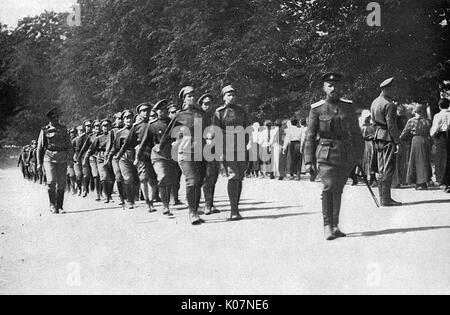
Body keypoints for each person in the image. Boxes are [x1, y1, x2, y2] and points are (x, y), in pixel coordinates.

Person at [304, 73, 364, 241]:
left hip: (345, 154)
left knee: (338, 189)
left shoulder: (348, 107)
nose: (333, 88)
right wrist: (309, 161)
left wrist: (359, 156)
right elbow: (310, 136)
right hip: (326, 153)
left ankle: (335, 225)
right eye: (329, 85)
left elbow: (356, 133)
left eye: (336, 85)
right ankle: (327, 225)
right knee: (328, 187)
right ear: (324, 88)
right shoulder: (317, 108)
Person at [158, 86, 207, 225]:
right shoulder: (179, 116)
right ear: (184, 99)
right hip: (185, 152)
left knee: (199, 182)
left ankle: (195, 209)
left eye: (193, 95)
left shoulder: (202, 114)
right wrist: (160, 147)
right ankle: (192, 213)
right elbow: (168, 134)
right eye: (188, 96)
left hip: (201, 153)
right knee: (192, 180)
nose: (192, 97)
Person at [212, 85, 251, 221]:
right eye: (228, 94)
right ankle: (233, 211)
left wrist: (246, 144)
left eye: (233, 94)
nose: (231, 97)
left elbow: (247, 127)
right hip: (227, 147)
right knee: (233, 176)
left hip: (241, 147)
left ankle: (236, 208)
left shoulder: (241, 110)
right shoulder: (220, 112)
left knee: (239, 176)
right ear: (223, 97)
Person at [138, 99, 177, 217]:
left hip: (171, 154)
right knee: (163, 177)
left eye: (165, 110)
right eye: (160, 110)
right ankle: (165, 206)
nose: (162, 112)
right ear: (156, 111)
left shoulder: (173, 123)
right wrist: (139, 157)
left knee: (170, 179)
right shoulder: (153, 125)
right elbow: (144, 142)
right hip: (158, 156)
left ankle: (167, 201)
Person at [117, 102, 158, 212]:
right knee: (144, 179)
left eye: (147, 110)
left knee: (153, 180)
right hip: (142, 155)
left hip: (154, 154)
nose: (146, 112)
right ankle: (148, 202)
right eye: (143, 110)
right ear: (139, 113)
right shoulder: (136, 127)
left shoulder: (154, 125)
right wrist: (119, 155)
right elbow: (128, 143)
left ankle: (152, 200)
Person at [371, 77, 402, 207]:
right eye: (392, 88)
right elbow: (392, 126)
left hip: (378, 137)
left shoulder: (375, 102)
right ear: (387, 89)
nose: (394, 90)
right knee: (388, 168)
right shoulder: (389, 104)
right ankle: (386, 198)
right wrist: (398, 142)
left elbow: (373, 121)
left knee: (381, 168)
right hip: (388, 138)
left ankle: (383, 197)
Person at [37, 107, 73, 214]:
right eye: (54, 118)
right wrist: (39, 163)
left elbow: (69, 145)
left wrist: (70, 158)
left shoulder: (63, 129)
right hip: (49, 158)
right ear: (50, 119)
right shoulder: (45, 131)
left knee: (61, 184)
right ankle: (52, 204)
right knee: (51, 181)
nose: (56, 119)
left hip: (62, 158)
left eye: (57, 117)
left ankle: (60, 206)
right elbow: (40, 147)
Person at [108, 110, 138, 209]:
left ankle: (134, 197)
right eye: (126, 118)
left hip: (137, 156)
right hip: (124, 157)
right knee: (128, 178)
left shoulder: (138, 129)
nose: (128, 119)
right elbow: (116, 147)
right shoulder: (120, 133)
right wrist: (110, 157)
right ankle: (129, 201)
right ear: (123, 120)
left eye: (130, 117)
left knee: (136, 179)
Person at [400, 104, 433, 190]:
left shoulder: (411, 121)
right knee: (425, 160)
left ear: (415, 111)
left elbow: (405, 132)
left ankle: (417, 182)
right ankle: (425, 181)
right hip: (425, 140)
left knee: (415, 161)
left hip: (415, 140)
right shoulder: (427, 121)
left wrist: (400, 138)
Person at [199, 93, 221, 215]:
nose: (208, 105)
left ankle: (210, 203)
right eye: (205, 103)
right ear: (201, 105)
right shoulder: (199, 116)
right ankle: (206, 205)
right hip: (202, 150)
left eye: (210, 103)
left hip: (215, 149)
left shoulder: (216, 116)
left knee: (214, 177)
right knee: (206, 178)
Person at [85, 119, 115, 203]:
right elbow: (91, 149)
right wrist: (85, 159)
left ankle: (109, 194)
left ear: (110, 126)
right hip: (102, 158)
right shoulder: (99, 138)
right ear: (102, 127)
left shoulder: (114, 136)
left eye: (107, 125)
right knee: (104, 176)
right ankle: (106, 196)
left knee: (112, 177)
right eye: (104, 126)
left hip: (112, 157)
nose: (106, 127)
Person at [430, 98, 450, 189]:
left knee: (441, 159)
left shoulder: (438, 116)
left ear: (439, 106)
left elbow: (434, 129)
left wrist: (432, 135)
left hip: (441, 137)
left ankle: (443, 182)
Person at [107, 112, 126, 205]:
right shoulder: (113, 131)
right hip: (115, 156)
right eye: (117, 118)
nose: (119, 120)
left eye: (121, 118)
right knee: (118, 176)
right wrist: (108, 157)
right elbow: (109, 145)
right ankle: (121, 197)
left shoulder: (128, 129)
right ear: (114, 120)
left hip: (125, 155)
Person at [81, 120, 102, 201]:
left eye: (98, 126)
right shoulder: (91, 136)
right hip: (91, 157)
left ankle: (100, 192)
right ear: (93, 128)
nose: (97, 128)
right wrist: (79, 158)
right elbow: (84, 148)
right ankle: (94, 193)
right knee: (94, 174)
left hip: (100, 157)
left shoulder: (103, 135)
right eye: (96, 126)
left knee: (101, 175)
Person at [167, 103, 183, 205]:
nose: (175, 114)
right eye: (172, 112)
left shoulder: (182, 124)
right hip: (168, 153)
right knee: (170, 175)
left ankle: (175, 197)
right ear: (169, 114)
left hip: (180, 152)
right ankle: (170, 197)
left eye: (177, 112)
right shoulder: (167, 124)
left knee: (178, 175)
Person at [392, 104, 410, 188]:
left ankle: (399, 179)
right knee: (404, 161)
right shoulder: (406, 119)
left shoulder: (396, 119)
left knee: (398, 161)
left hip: (399, 140)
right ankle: (404, 179)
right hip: (405, 141)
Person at [73, 121, 92, 197]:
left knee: (86, 174)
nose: (81, 132)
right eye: (79, 131)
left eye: (82, 131)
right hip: (76, 157)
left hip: (84, 157)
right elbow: (71, 149)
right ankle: (79, 188)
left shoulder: (87, 138)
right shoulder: (75, 140)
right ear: (77, 132)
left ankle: (85, 189)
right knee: (78, 175)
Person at [360, 111, 378, 186]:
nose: (368, 118)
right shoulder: (363, 127)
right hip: (366, 144)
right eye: (367, 117)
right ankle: (366, 177)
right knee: (367, 160)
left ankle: (372, 178)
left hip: (372, 144)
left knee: (372, 160)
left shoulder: (372, 126)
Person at [67, 128, 78, 194]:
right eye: (71, 133)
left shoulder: (77, 140)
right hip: (68, 159)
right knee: (70, 175)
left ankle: (76, 187)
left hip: (75, 158)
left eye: (74, 132)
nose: (72, 134)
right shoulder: (67, 141)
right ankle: (71, 188)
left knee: (76, 174)